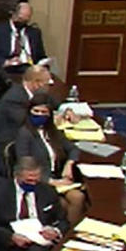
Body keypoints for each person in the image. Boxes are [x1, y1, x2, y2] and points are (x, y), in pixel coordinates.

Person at [15, 92, 85, 226]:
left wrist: (69, 164)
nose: (40, 115)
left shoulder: (53, 131)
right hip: (40, 180)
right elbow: (23, 165)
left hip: (60, 179)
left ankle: (68, 235)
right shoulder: (24, 133)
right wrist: (51, 181)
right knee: (64, 205)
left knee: (78, 197)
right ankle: (62, 235)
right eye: (36, 111)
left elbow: (73, 149)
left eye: (44, 112)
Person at [0, 65, 55, 175]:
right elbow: (27, 121)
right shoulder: (14, 98)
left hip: (22, 135)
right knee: (52, 147)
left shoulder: (32, 93)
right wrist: (53, 118)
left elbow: (51, 101)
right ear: (37, 83)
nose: (49, 87)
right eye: (47, 84)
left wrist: (66, 110)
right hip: (9, 144)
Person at [0, 1, 48, 71]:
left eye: (26, 20)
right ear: (14, 14)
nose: (22, 23)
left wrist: (43, 64)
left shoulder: (34, 33)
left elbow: (41, 56)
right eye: (20, 19)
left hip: (30, 69)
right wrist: (6, 62)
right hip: (8, 69)